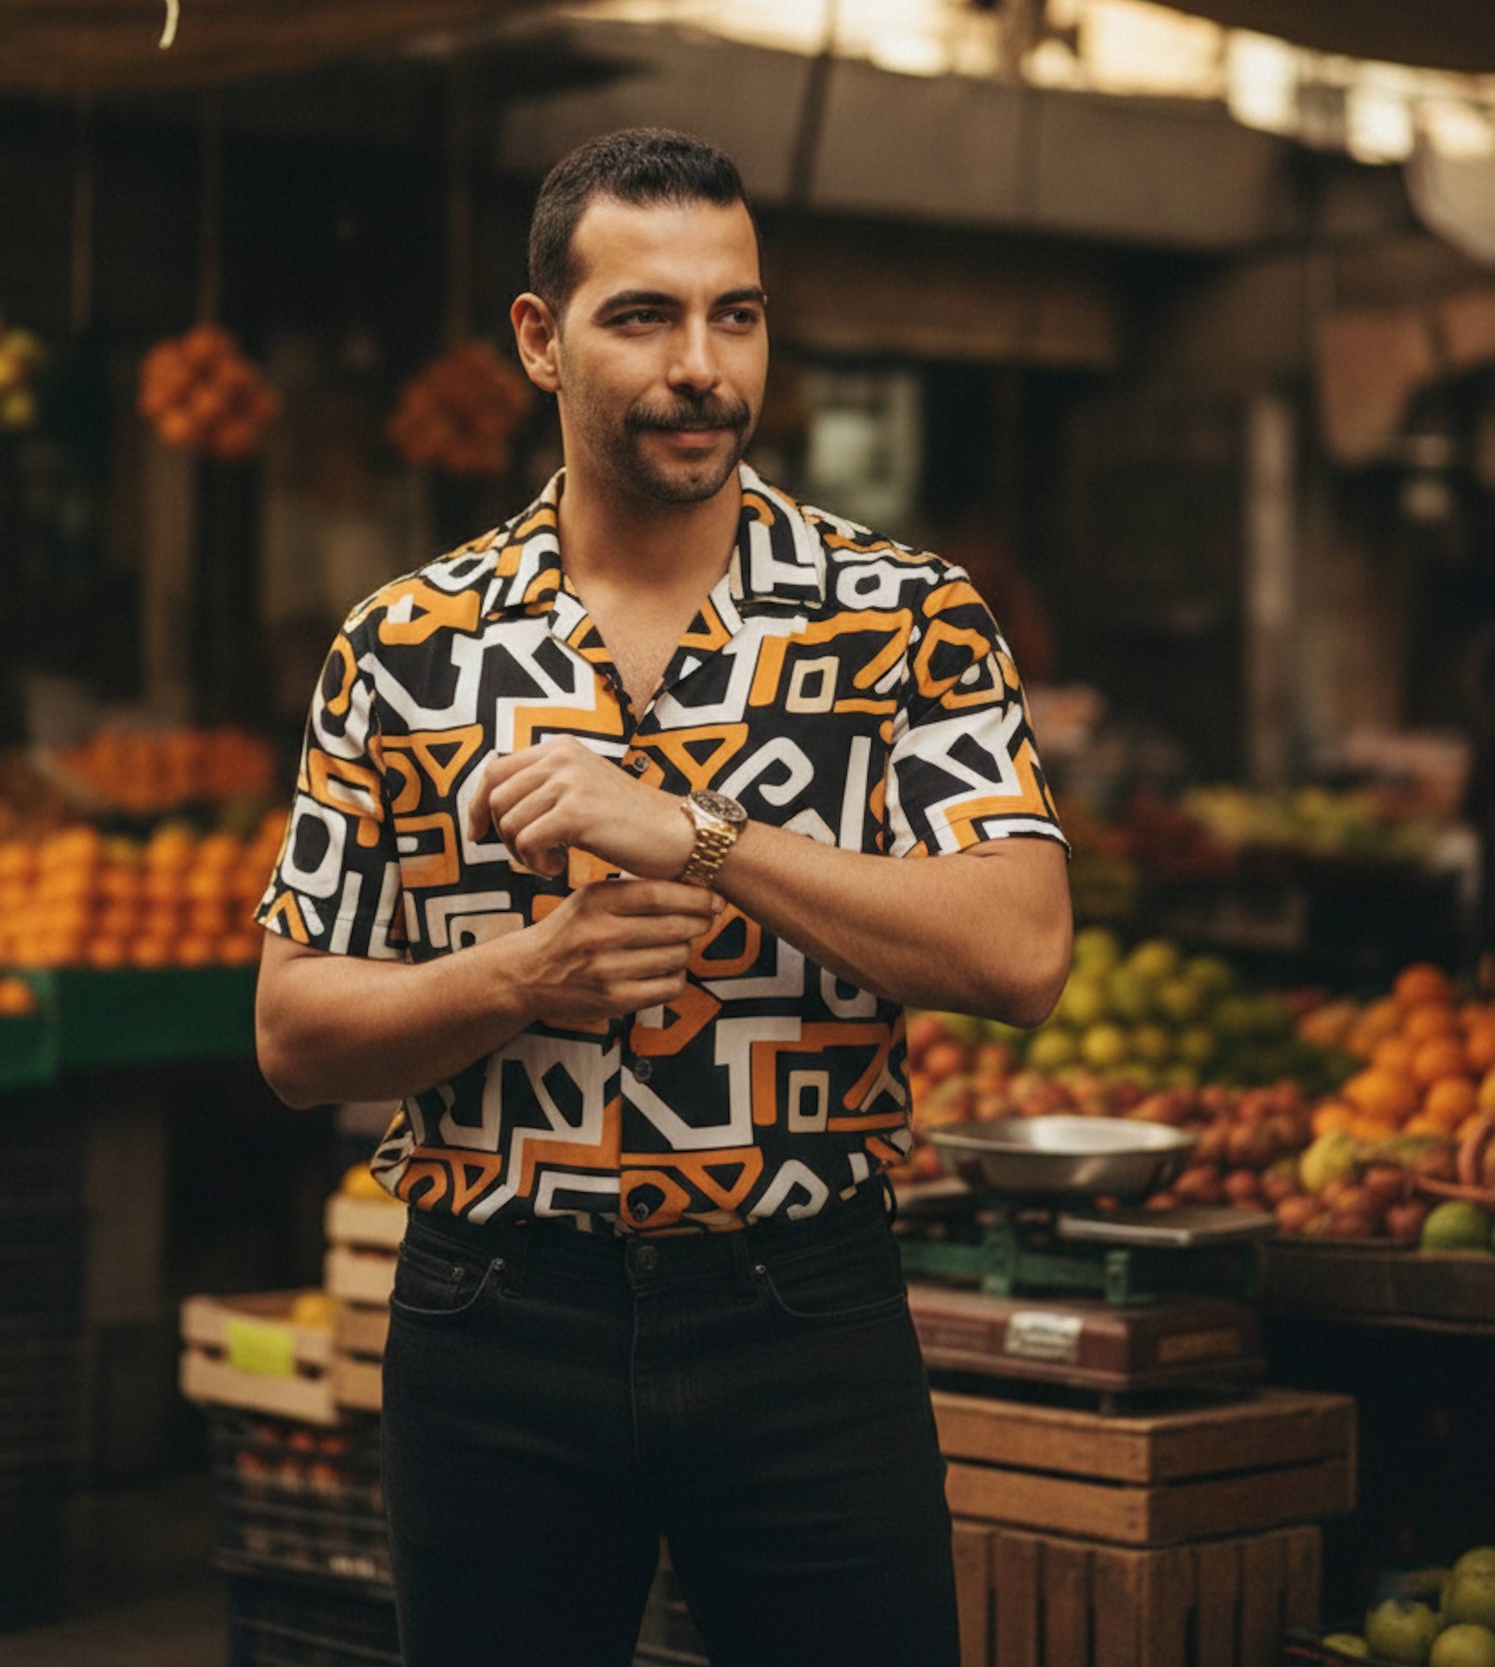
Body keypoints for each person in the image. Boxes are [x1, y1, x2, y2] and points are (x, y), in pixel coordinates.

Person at [255, 126, 1072, 1667]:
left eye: (736, 314)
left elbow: (1023, 949)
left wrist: (693, 834)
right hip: (494, 1320)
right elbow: (296, 1035)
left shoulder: (907, 619)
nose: (703, 366)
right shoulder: (406, 644)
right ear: (539, 339)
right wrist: (524, 978)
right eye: (644, 316)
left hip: (805, 1312)